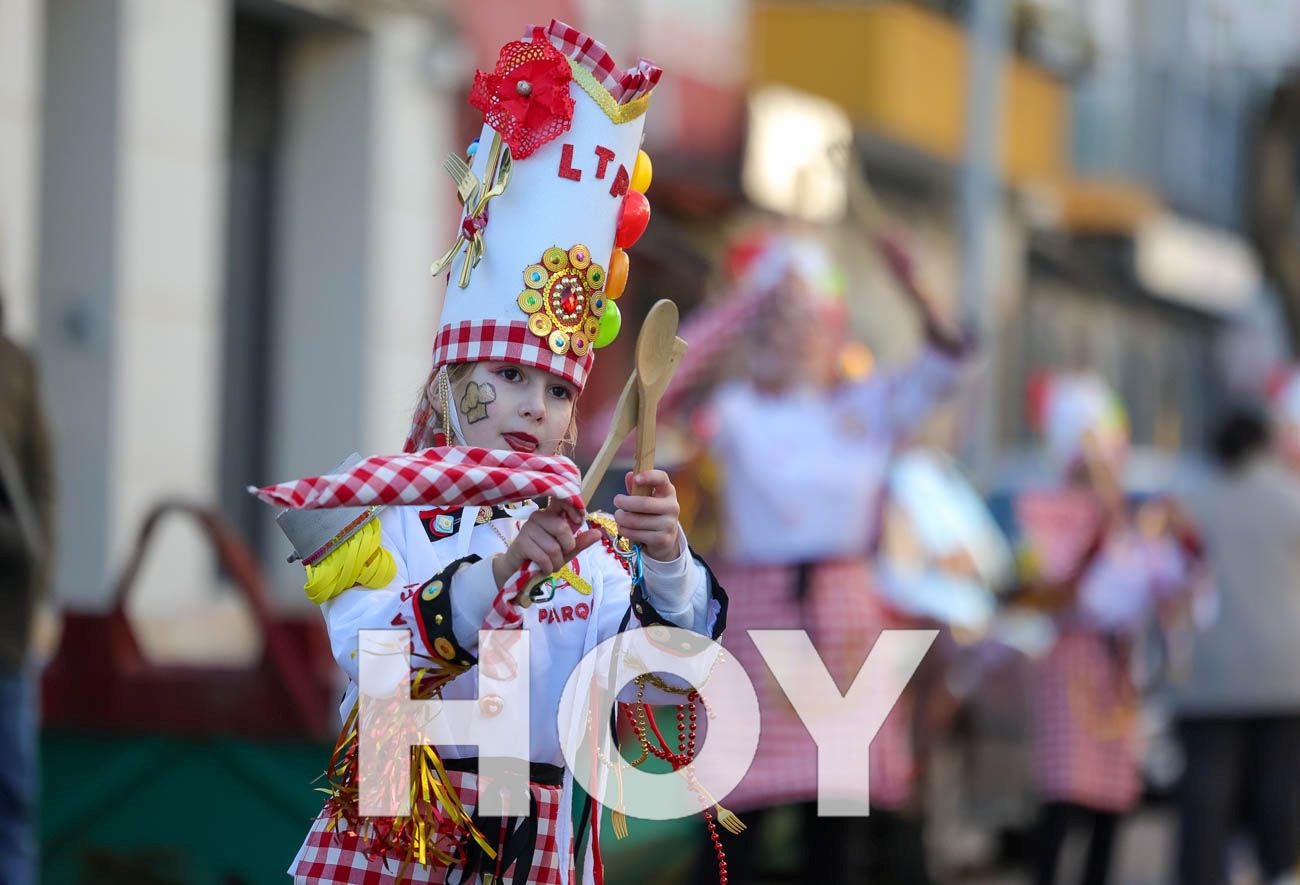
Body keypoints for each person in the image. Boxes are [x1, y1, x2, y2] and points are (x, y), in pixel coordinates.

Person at [256, 23, 728, 884]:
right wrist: (502, 571)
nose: (534, 406)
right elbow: (375, 660)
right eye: (508, 376)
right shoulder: (378, 517)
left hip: (533, 852)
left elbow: (658, 691)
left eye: (557, 391)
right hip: (393, 842)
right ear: (449, 382)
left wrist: (667, 563)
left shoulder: (590, 552)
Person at [658, 228, 967, 884]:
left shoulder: (868, 407)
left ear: (835, 329)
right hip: (755, 613)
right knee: (736, 817)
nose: (792, 336)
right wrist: (740, 303)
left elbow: (946, 362)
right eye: (775, 320)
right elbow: (649, 403)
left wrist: (916, 287)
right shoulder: (734, 413)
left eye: (807, 320)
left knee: (842, 821)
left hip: (842, 617)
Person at [1013, 372, 1197, 885]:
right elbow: (1051, 582)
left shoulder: (1129, 517)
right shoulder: (1043, 508)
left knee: (1111, 800)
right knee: (1063, 793)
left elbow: (1166, 586)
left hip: (1117, 666)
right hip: (1068, 658)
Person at [1173, 402, 1300, 885]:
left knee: (1206, 804)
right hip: (1285, 675)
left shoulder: (1192, 505)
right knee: (1280, 800)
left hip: (1208, 678)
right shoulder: (1290, 500)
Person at [0, 291, 55, 885]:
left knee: (14, 807)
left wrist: (37, 590)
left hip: (8, 635)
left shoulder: (15, 366)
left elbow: (42, 493)